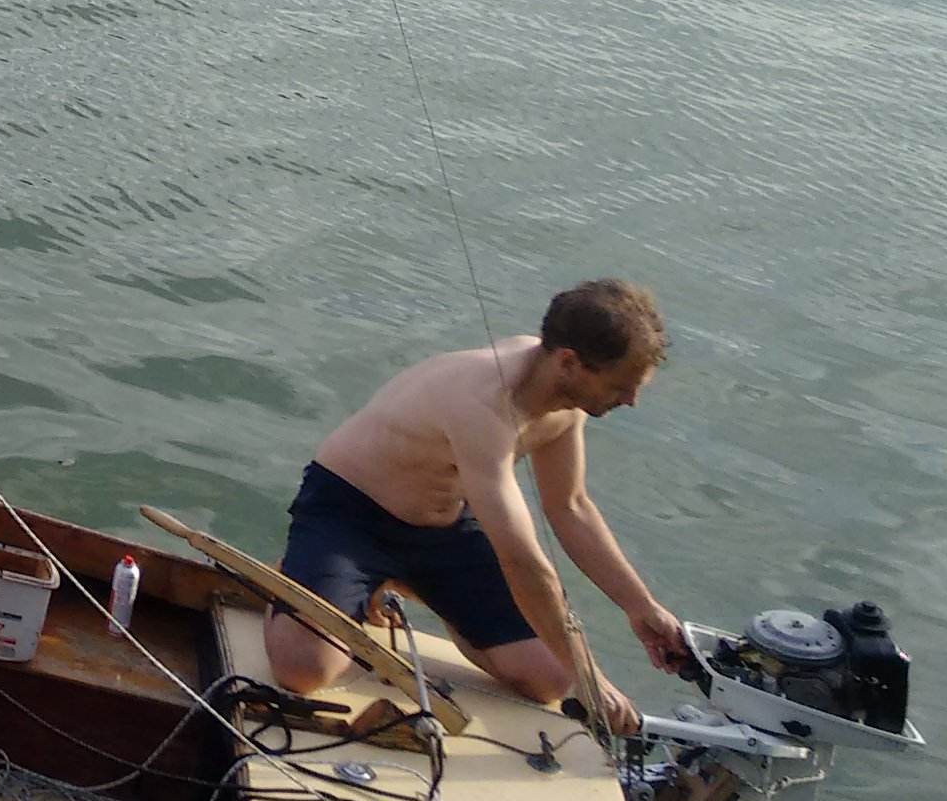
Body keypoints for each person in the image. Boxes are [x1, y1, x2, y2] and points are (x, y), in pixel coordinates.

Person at [262, 280, 693, 735]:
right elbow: (522, 559)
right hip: (351, 514)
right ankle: (298, 571)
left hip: (443, 525)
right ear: (569, 361)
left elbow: (570, 506)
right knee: (305, 671)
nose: (631, 400)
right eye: (621, 387)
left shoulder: (567, 398)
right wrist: (594, 678)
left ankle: (410, 583)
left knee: (549, 679)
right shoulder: (483, 402)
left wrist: (641, 607)